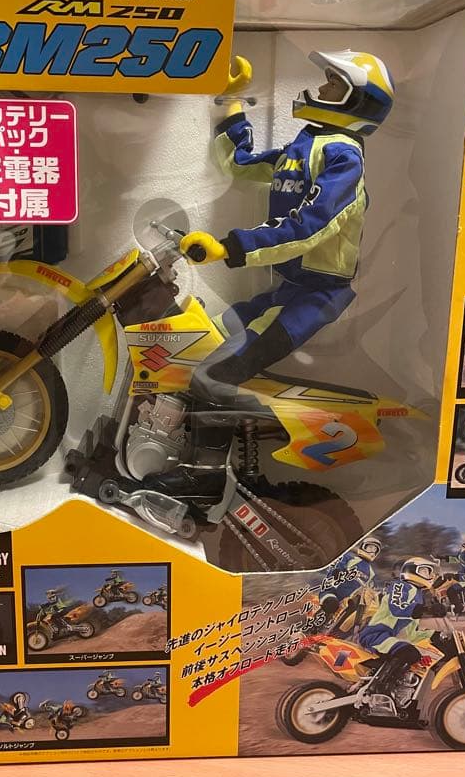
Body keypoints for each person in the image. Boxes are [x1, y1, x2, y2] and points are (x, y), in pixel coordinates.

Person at [151, 51, 394, 496]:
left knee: (211, 375)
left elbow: (307, 229)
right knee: (204, 338)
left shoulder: (343, 158)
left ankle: (204, 481)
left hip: (313, 297)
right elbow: (240, 164)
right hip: (287, 290)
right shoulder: (306, 146)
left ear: (357, 101)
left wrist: (228, 248)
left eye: (334, 84)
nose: (321, 89)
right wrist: (231, 103)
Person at [358, 558, 450, 701]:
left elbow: (410, 633)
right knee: (409, 652)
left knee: (417, 651)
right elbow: (397, 609)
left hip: (386, 636)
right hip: (375, 634)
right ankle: (379, 689)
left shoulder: (417, 596)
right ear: (412, 570)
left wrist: (433, 635)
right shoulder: (400, 585)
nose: (430, 575)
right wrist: (427, 609)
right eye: (426, 571)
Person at [318, 535, 382, 621]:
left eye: (374, 550)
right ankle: (315, 621)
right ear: (363, 547)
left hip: (347, 600)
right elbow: (336, 567)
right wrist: (338, 571)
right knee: (331, 604)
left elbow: (372, 588)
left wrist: (376, 593)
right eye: (370, 548)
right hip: (332, 591)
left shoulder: (371, 573)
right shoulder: (349, 557)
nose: (372, 551)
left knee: (353, 612)